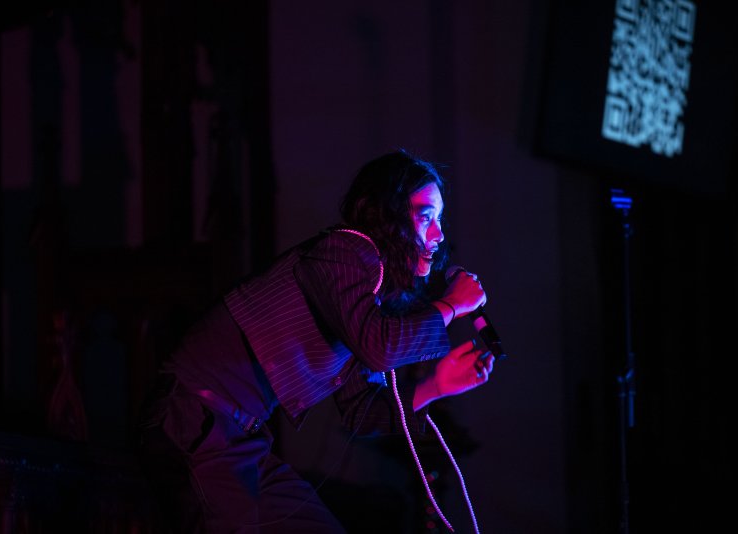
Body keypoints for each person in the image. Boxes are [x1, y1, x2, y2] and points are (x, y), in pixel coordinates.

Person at [136, 150, 495, 533]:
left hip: (242, 439)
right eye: (426, 217)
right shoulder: (344, 252)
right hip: (196, 417)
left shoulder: (372, 296)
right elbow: (379, 346)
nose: (439, 235)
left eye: (439, 219)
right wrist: (450, 306)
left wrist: (436, 385)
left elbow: (360, 410)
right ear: (389, 216)